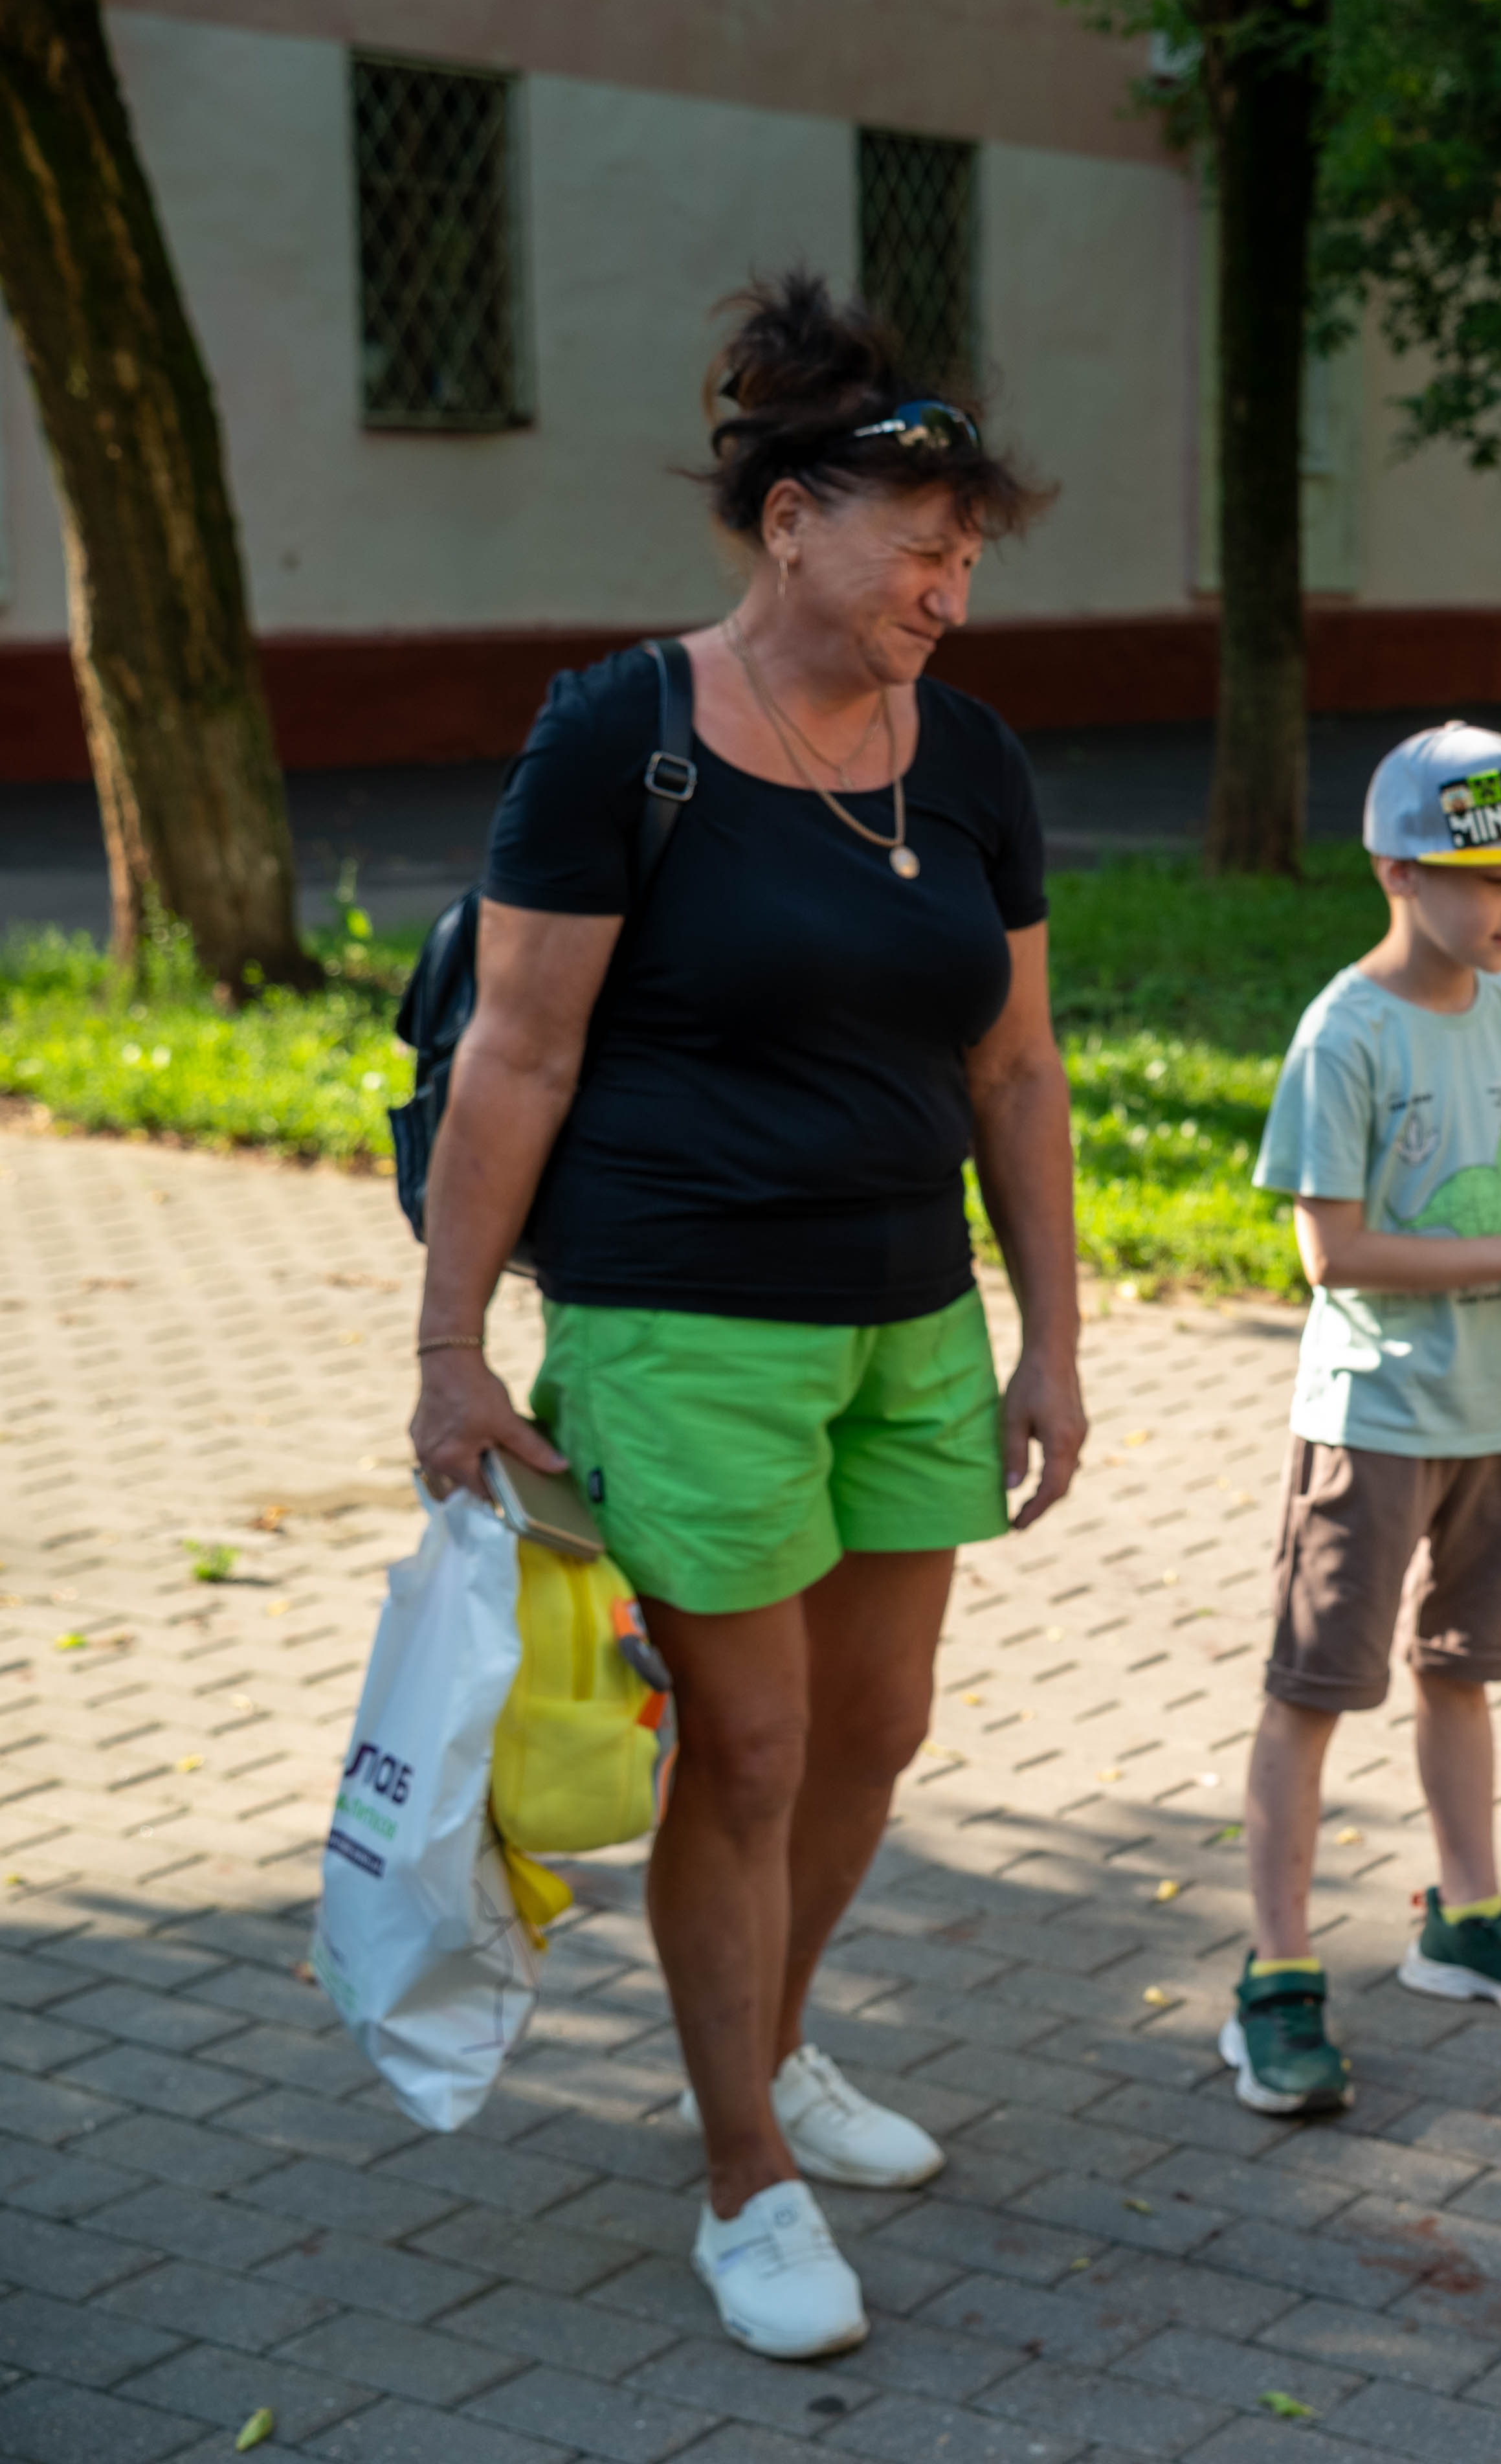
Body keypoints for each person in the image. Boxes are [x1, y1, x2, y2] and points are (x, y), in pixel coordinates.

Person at [405, 273, 1087, 2361]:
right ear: (791, 520)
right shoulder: (622, 732)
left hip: (907, 1318)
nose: (947, 584)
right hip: (681, 1313)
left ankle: (768, 2050)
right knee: (755, 1743)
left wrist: (1053, 1333)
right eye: (918, 541)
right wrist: (449, 1351)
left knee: (875, 1730)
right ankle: (742, 2179)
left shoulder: (966, 755)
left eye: (969, 553)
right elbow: (518, 1050)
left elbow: (1016, 1070)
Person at [1221, 727, 1501, 2120]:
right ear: (1395, 871)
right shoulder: (1344, 1032)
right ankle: (1275, 1976)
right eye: (1487, 879)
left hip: (1497, 1415)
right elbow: (1329, 1254)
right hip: (1377, 1418)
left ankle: (1465, 1921)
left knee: (1462, 1667)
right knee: (1312, 1693)